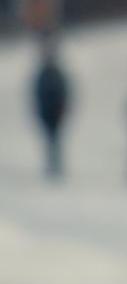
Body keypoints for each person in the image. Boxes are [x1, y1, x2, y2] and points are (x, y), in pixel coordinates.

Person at [31, 34, 72, 180]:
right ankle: (52, 165)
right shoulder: (43, 73)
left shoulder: (56, 73)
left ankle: (56, 165)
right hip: (47, 112)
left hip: (55, 111)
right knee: (50, 140)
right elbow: (37, 93)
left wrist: (63, 108)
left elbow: (65, 92)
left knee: (55, 139)